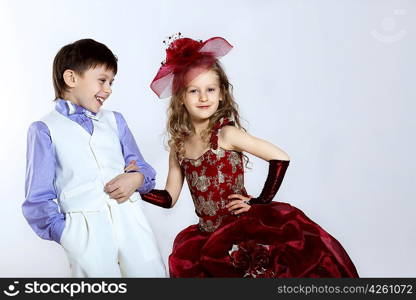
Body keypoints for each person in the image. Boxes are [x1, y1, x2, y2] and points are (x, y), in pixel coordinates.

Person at [138, 35, 359, 277]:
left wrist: (259, 201)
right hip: (205, 237)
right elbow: (169, 198)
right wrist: (135, 188)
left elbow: (280, 157)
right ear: (181, 98)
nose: (203, 98)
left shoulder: (226, 133)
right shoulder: (178, 146)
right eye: (194, 91)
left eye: (210, 90)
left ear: (222, 93)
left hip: (240, 231)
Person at [23, 38, 166, 277]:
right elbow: (38, 198)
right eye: (102, 80)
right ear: (71, 78)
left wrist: (137, 178)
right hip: (85, 231)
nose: (108, 89)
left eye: (111, 82)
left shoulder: (115, 121)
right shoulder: (44, 129)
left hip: (131, 220)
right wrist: (68, 234)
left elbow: (143, 168)